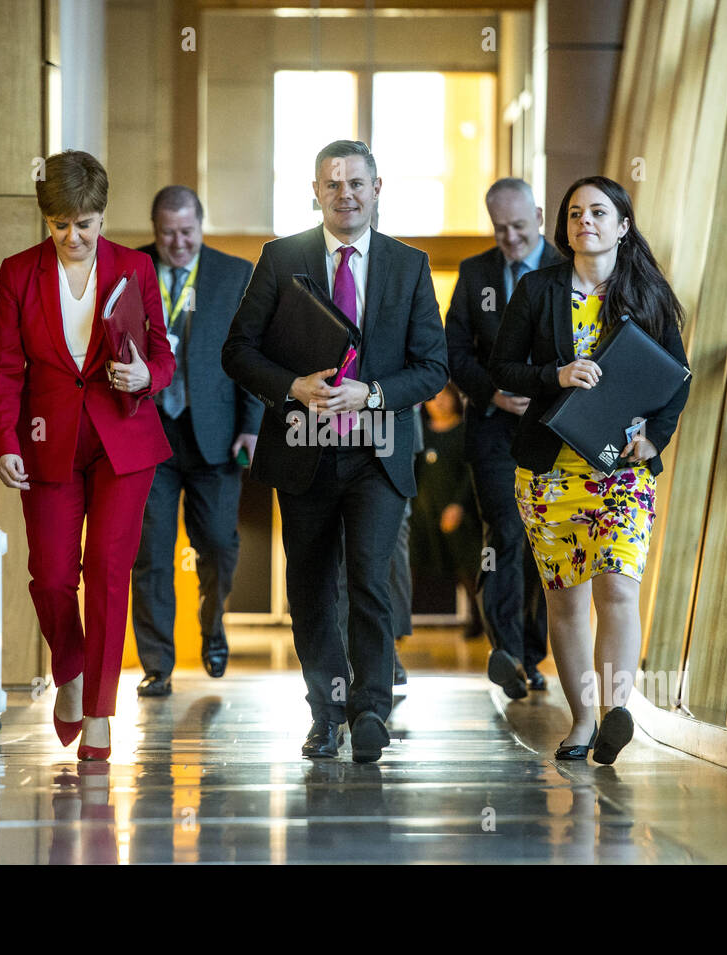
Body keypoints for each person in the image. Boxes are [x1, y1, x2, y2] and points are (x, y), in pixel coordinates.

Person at [222, 140, 447, 763]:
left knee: (371, 579)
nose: (344, 193)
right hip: (303, 451)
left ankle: (371, 708)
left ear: (378, 189)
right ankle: (327, 712)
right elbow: (237, 351)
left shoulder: (409, 266)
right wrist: (292, 386)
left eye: (356, 183)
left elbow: (433, 367)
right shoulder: (280, 258)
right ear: (315, 192)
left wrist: (371, 392)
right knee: (313, 587)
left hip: (377, 454)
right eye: (332, 183)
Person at [487, 175, 690, 766]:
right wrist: (556, 374)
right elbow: (503, 367)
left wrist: (655, 439)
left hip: (622, 471)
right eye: (576, 214)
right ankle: (580, 720)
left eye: (599, 213)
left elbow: (675, 380)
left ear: (623, 226)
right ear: (565, 226)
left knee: (618, 589)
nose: (586, 222)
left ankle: (614, 713)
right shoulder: (536, 289)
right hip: (552, 472)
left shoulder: (648, 294)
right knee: (566, 600)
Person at [0, 150, 175, 761]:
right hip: (49, 442)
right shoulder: (17, 274)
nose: (73, 237)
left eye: (85, 224)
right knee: (53, 576)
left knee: (108, 575)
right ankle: (67, 668)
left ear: (102, 215)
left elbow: (163, 355)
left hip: (125, 442)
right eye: (59, 225)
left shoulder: (135, 268)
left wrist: (145, 376)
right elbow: (3, 368)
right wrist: (5, 442)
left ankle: (98, 713)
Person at [130, 185, 262, 697]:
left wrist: (252, 424)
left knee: (220, 549)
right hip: (149, 435)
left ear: (201, 227)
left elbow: (251, 356)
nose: (178, 243)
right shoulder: (131, 269)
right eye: (167, 233)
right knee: (153, 555)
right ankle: (158, 664)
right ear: (154, 229)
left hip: (216, 434)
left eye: (187, 232)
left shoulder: (234, 275)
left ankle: (212, 622)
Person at [446, 177, 557, 698]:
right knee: (506, 533)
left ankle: (532, 654)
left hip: (556, 429)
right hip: (493, 430)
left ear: (537, 216)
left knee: (545, 543)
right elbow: (454, 351)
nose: (510, 238)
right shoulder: (475, 274)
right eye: (500, 228)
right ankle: (508, 654)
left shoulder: (569, 267)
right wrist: (493, 393)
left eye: (518, 226)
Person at [409, 385, 486, 641]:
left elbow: (470, 471)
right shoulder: (420, 433)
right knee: (409, 568)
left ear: (456, 398)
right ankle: (398, 624)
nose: (439, 403)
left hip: (457, 514)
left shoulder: (465, 432)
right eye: (432, 398)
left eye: (445, 397)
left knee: (468, 569)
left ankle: (480, 621)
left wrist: (459, 505)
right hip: (423, 514)